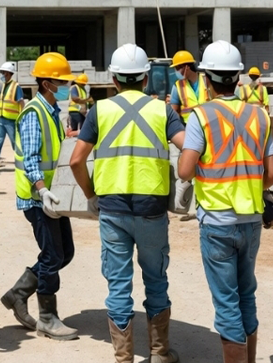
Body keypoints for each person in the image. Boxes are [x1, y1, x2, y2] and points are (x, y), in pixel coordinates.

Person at [70, 43, 184, 363]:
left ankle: (124, 358)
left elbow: (76, 161)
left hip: (113, 209)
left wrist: (91, 196)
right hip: (152, 209)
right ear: (145, 79)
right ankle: (160, 353)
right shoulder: (163, 110)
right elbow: (189, 147)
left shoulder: (99, 110)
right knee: (156, 279)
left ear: (114, 79)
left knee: (119, 284)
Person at [177, 40, 273, 363]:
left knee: (226, 303)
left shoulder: (201, 116)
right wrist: (250, 185)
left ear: (206, 78)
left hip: (217, 225)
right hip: (251, 222)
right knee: (246, 296)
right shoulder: (260, 116)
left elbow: (184, 169)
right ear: (238, 79)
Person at [1, 52, 77, 341]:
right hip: (37, 197)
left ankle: (17, 294)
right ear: (46, 83)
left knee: (64, 253)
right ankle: (47, 318)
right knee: (52, 255)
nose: (63, 86)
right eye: (58, 81)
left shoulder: (50, 110)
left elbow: (51, 149)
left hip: (51, 196)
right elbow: (31, 159)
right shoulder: (34, 112)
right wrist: (41, 189)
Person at [0, 62, 24, 168]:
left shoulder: (16, 86)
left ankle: (20, 160)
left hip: (12, 120)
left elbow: (21, 102)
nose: (2, 74)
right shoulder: (4, 85)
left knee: (14, 141)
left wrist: (22, 116)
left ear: (9, 73)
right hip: (2, 118)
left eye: (3, 72)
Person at [169, 50, 209, 123]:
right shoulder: (177, 86)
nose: (176, 72)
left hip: (208, 124)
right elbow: (174, 112)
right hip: (188, 127)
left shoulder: (206, 80)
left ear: (186, 67)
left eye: (178, 68)